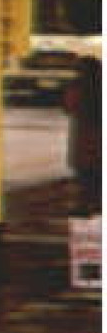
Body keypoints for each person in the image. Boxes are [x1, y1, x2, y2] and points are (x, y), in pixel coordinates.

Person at [64, 56, 101, 215]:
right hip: (96, 138)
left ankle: (85, 205)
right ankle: (96, 204)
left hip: (84, 137)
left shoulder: (77, 86)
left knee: (85, 175)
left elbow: (69, 106)